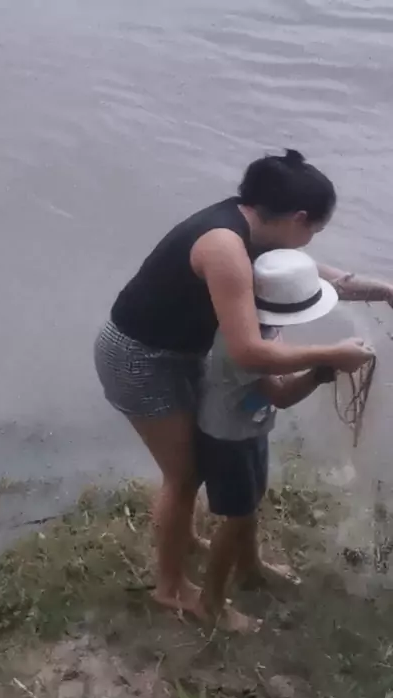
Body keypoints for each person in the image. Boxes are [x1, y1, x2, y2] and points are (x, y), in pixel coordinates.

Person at [94, 149, 392, 615]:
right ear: (298, 218)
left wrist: (386, 290)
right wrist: (331, 355)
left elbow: (319, 282)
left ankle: (198, 543)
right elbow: (250, 352)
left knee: (196, 466)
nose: (310, 242)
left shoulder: (260, 232)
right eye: (314, 230)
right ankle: (170, 587)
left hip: (185, 352)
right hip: (138, 358)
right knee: (184, 475)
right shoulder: (225, 248)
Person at [196, 248, 374, 633]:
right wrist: (321, 372)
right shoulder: (243, 347)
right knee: (236, 517)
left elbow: (274, 375)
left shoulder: (258, 323)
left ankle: (250, 568)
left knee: (250, 502)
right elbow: (281, 394)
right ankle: (210, 602)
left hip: (249, 427)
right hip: (228, 438)